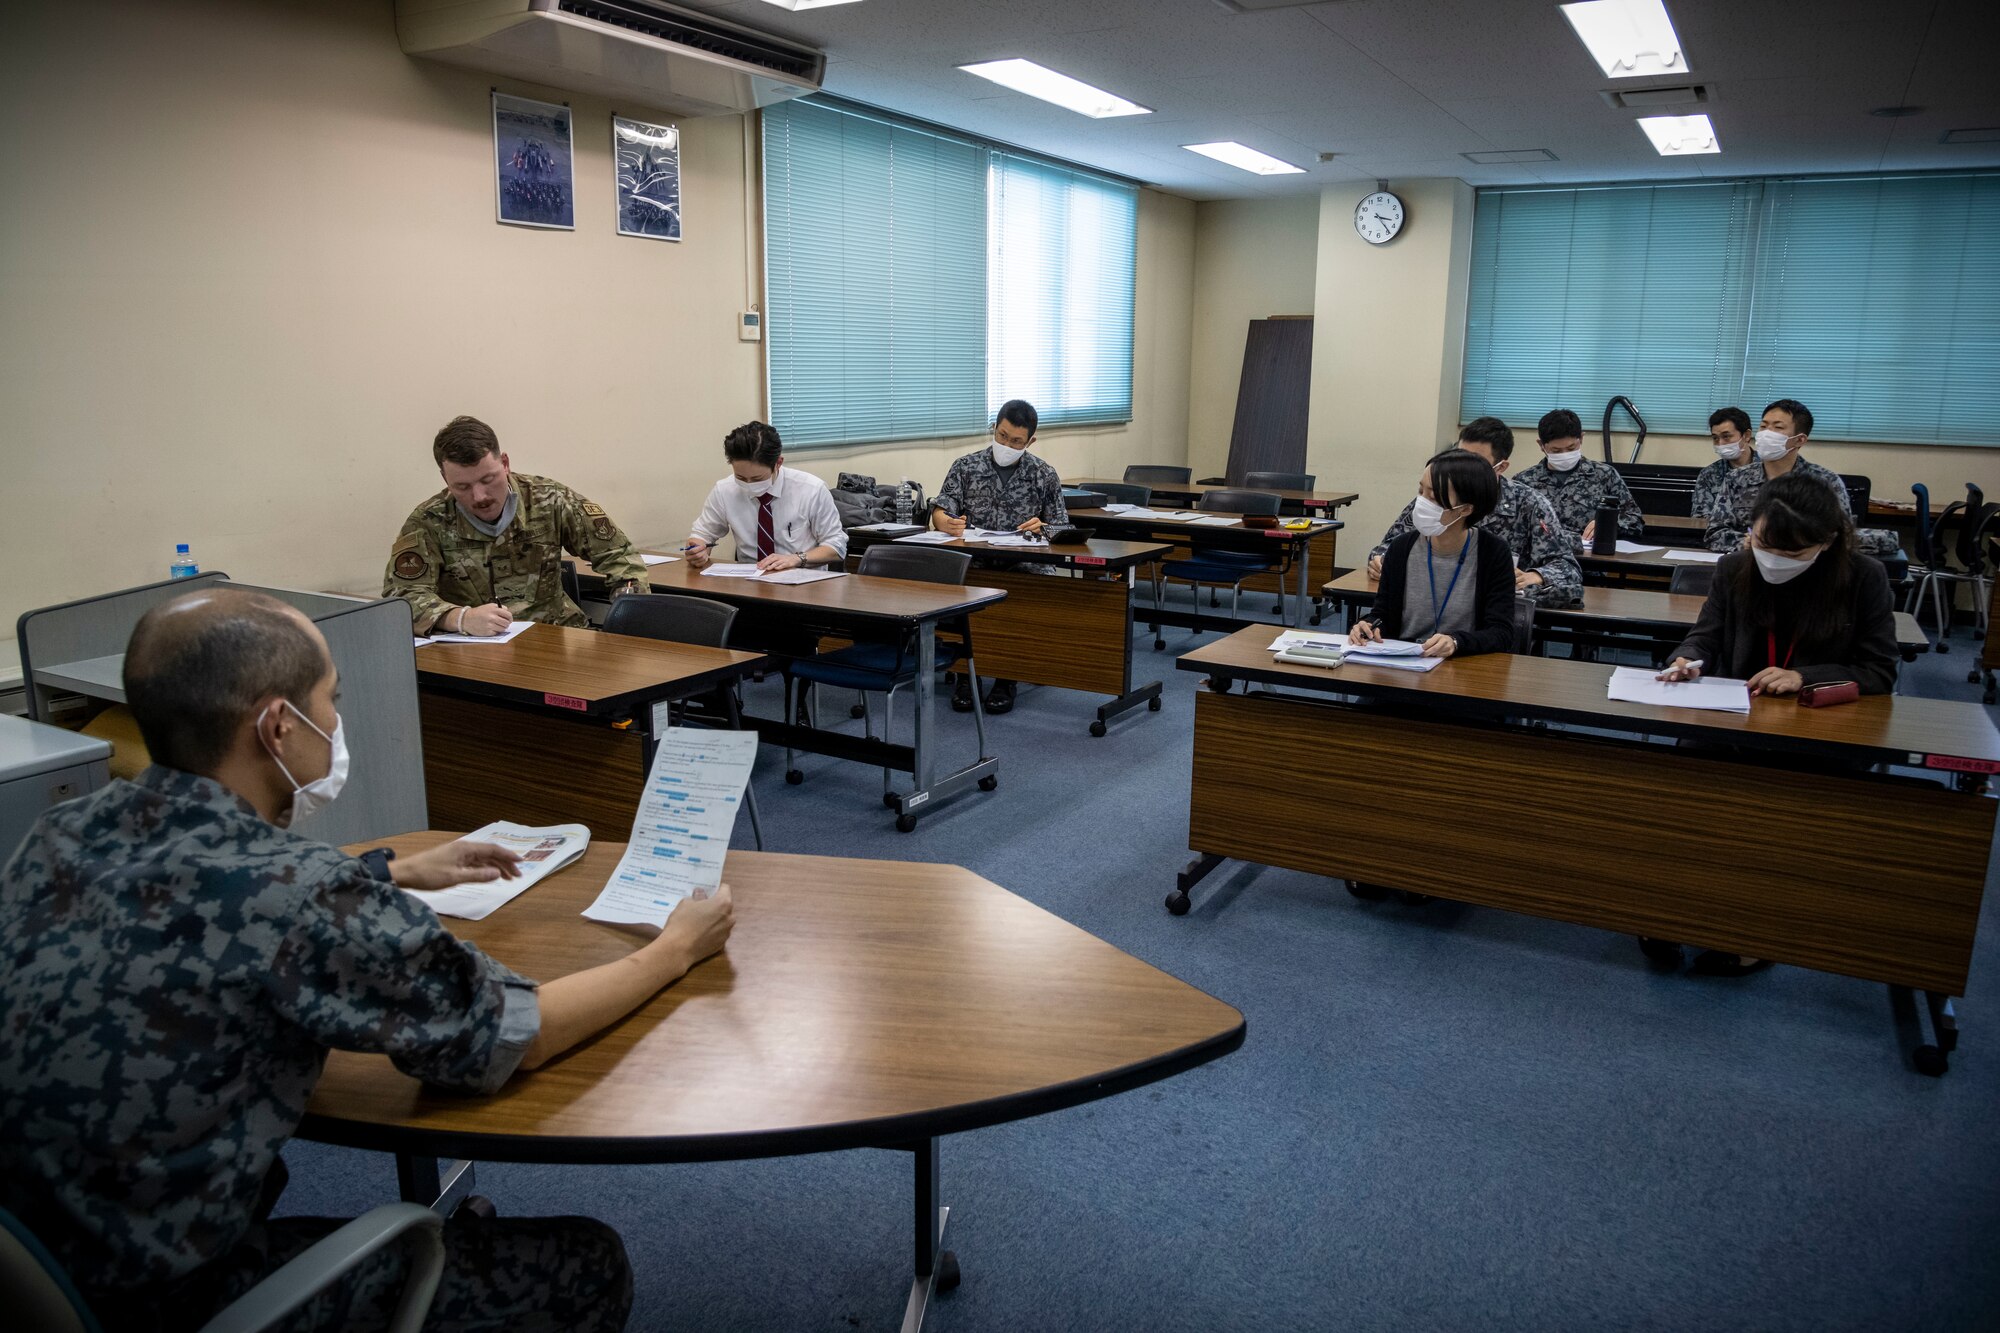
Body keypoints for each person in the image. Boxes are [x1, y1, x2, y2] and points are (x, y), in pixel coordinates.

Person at [0, 589, 736, 1332]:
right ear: (278, 727)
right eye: (331, 700)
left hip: (42, 1264)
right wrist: (675, 948)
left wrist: (388, 874)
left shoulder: (61, 831)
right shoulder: (302, 896)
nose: (336, 723)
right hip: (172, 1299)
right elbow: (517, 1034)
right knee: (587, 1262)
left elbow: (203, 899)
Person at [1655, 473, 1899, 974]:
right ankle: (1666, 917)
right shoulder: (1735, 568)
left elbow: (1879, 671)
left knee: (1775, 834)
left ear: (1826, 543)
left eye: (1792, 552)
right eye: (1764, 543)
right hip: (1732, 723)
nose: (1773, 559)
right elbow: (1704, 636)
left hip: (1813, 734)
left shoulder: (1863, 577)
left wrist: (1802, 676)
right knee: (1687, 813)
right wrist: (1687, 659)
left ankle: (1757, 936)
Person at [385, 415, 648, 635]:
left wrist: (626, 611)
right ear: (445, 479)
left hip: (556, 637)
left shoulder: (549, 499)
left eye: (488, 479)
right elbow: (401, 595)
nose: (480, 497)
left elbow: (620, 556)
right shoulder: (429, 521)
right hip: (475, 649)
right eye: (462, 487)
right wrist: (459, 618)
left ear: (505, 464)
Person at [932, 399, 1068, 714]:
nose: (1006, 444)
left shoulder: (1043, 474)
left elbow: (1063, 528)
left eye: (1016, 441)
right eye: (1002, 435)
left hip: (1025, 565)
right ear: (994, 428)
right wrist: (944, 521)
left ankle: (1007, 677)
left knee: (1020, 595)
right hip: (974, 562)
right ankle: (966, 675)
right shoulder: (966, 466)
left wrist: (1045, 527)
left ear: (1030, 441)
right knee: (959, 591)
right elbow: (941, 509)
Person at [1368, 417, 1581, 606]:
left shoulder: (1529, 504)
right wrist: (1381, 561)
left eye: (1474, 462)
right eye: (1459, 456)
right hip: (1431, 599)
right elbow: (1387, 546)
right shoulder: (1436, 497)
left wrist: (1537, 576)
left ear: (1500, 467)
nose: (1461, 467)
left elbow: (1567, 568)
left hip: (1496, 609)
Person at [1351, 449, 1516, 658]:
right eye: (1421, 492)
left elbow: (1501, 633)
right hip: (1404, 661)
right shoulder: (1402, 547)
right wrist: (1367, 625)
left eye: (1434, 496)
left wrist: (1456, 642)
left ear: (1465, 509)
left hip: (1461, 665)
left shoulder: (1492, 552)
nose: (1422, 502)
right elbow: (1383, 614)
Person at [686, 420, 847, 573]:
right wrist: (698, 550)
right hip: (748, 582)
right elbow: (702, 535)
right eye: (741, 478)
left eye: (757, 479)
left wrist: (796, 559)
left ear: (778, 463)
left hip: (803, 582)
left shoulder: (811, 489)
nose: (749, 484)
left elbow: (836, 547)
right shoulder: (725, 490)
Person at [1703, 398, 1850, 552]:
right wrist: (1748, 543)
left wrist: (1792, 544)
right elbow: (1714, 534)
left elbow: (1843, 537)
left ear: (1799, 440)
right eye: (1763, 426)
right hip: (1748, 562)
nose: (1767, 433)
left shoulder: (1825, 482)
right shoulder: (1736, 479)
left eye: (1777, 427)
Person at [1510, 408, 1643, 544]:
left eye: (1571, 448)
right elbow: (1509, 526)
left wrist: (1608, 524)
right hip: (1542, 558)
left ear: (1581, 438)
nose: (1564, 454)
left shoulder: (1604, 475)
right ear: (1541, 445)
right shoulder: (1524, 482)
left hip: (1592, 558)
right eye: (1556, 450)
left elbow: (1635, 520)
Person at [1693, 406, 1757, 520]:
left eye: (1726, 436)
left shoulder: (1769, 468)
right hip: (1721, 535)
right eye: (1715, 438)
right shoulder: (1708, 474)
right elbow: (1700, 517)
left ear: (1746, 436)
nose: (1720, 443)